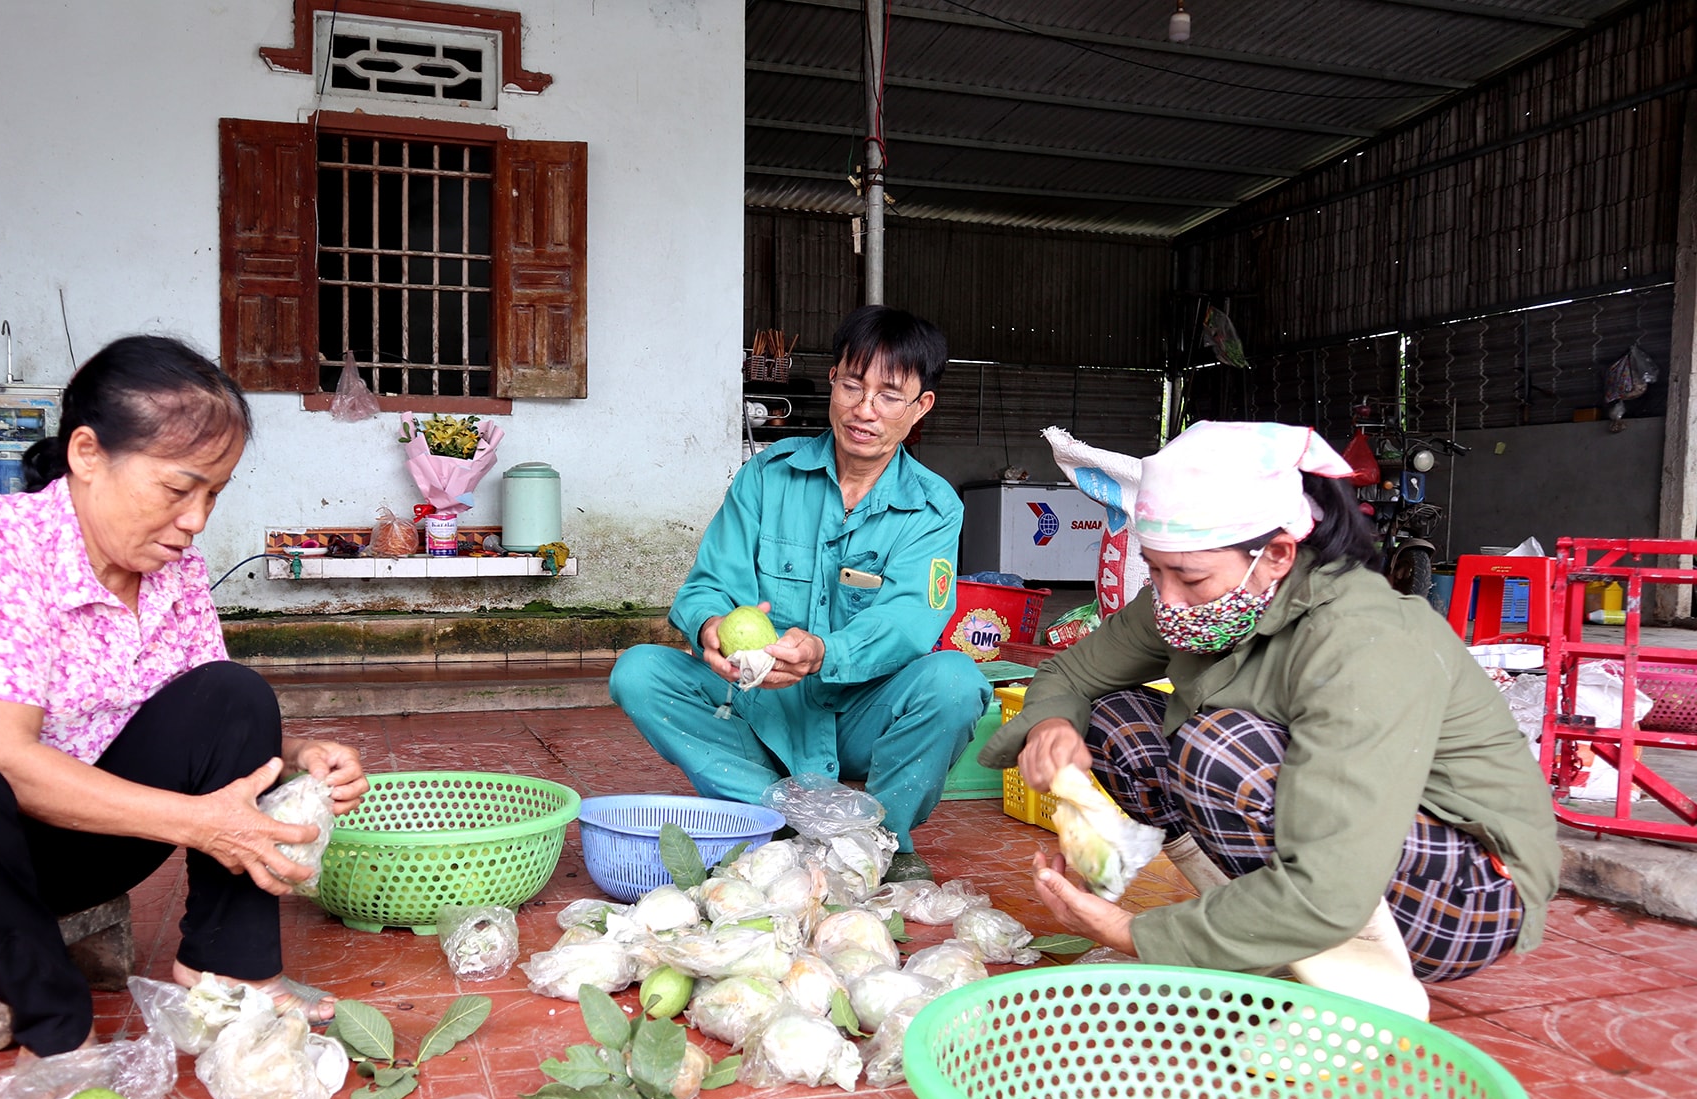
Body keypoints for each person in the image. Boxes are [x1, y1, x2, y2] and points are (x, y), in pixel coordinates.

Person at [0, 335, 366, 1057]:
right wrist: (203, 824)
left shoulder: (175, 572)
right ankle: (59, 1026)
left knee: (234, 696)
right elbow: (3, 761)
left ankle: (231, 969)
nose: (196, 519)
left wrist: (301, 756)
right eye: (178, 489)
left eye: (214, 494)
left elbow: (202, 720)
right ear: (85, 453)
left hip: (71, 849)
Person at [984, 420, 1557, 996]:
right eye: (1155, 571)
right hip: (1341, 867)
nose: (1167, 598)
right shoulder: (1197, 598)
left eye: (1188, 576)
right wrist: (1054, 723)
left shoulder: (1365, 641)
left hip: (1468, 892)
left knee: (1219, 751)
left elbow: (1332, 881)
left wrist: (1135, 932)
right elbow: (1074, 672)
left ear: (1278, 554)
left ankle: (1367, 986)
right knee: (1117, 717)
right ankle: (1254, 939)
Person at [611, 306, 992, 877]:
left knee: (957, 682)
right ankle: (780, 814)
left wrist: (826, 653)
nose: (865, 410)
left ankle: (882, 841)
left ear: (920, 408)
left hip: (861, 713)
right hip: (758, 706)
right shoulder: (768, 475)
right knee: (638, 672)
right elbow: (709, 584)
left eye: (890, 395)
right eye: (852, 385)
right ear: (833, 380)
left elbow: (912, 617)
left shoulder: (934, 508)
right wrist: (712, 626)